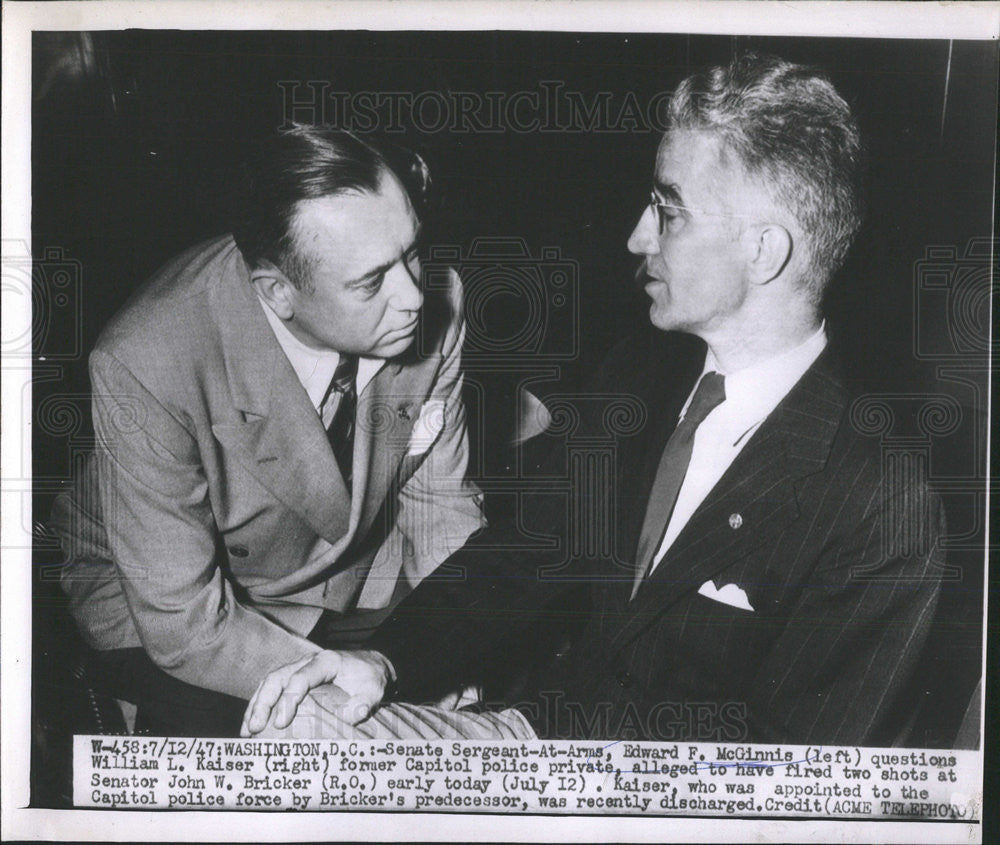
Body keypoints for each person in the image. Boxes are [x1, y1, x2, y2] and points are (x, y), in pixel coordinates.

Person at [242, 53, 946, 745]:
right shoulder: (640, 375)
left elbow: (791, 771)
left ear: (765, 251)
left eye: (668, 211)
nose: (637, 235)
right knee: (293, 725)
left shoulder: (881, 502)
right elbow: (526, 553)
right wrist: (385, 660)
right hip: (540, 735)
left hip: (644, 798)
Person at [50, 127, 486, 736]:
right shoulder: (145, 360)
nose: (414, 296)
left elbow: (439, 504)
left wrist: (444, 650)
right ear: (278, 294)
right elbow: (184, 622)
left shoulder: (439, 300)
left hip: (355, 568)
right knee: (310, 748)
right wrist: (359, 680)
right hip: (174, 606)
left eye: (412, 251)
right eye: (371, 282)